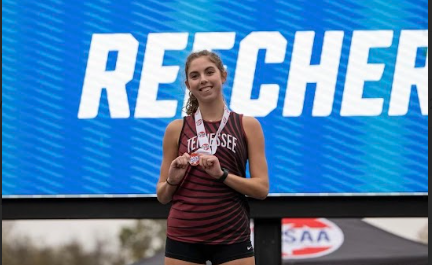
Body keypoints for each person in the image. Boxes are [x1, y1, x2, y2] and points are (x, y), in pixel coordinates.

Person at [157, 50, 269, 265]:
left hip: (232, 234)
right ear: (188, 85)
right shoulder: (176, 129)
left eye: (209, 72)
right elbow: (163, 196)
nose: (203, 80)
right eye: (195, 75)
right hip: (183, 235)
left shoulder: (248, 125)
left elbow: (261, 188)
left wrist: (222, 175)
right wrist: (173, 179)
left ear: (223, 76)